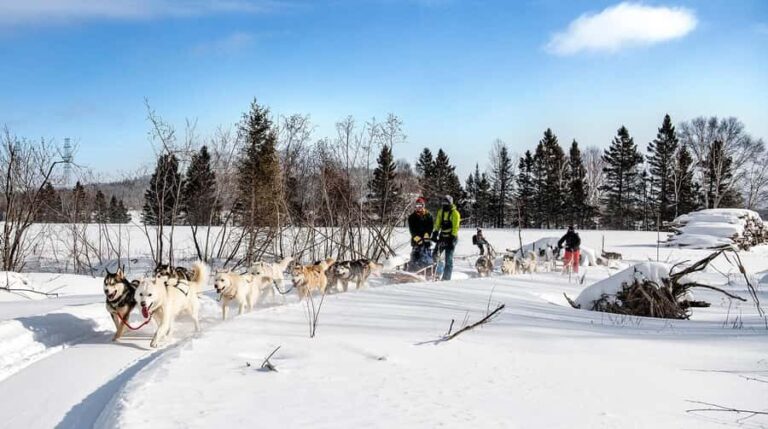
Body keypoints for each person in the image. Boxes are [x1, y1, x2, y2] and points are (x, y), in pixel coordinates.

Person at [431, 194, 461, 281]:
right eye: (443, 203)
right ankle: (436, 273)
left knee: (449, 259)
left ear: (450, 203)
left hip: (451, 237)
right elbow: (437, 223)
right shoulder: (441, 212)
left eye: (446, 203)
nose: (444, 205)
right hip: (442, 236)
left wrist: (452, 239)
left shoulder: (455, 214)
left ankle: (446, 278)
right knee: (435, 255)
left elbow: (455, 227)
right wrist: (435, 233)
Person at [407, 197, 434, 272]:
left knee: (425, 257)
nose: (418, 207)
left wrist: (427, 235)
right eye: (417, 206)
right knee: (414, 257)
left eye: (420, 206)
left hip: (426, 240)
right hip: (416, 240)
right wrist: (417, 238)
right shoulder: (412, 217)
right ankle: (412, 271)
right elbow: (412, 230)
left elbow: (430, 227)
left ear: (423, 206)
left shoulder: (429, 216)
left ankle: (426, 272)